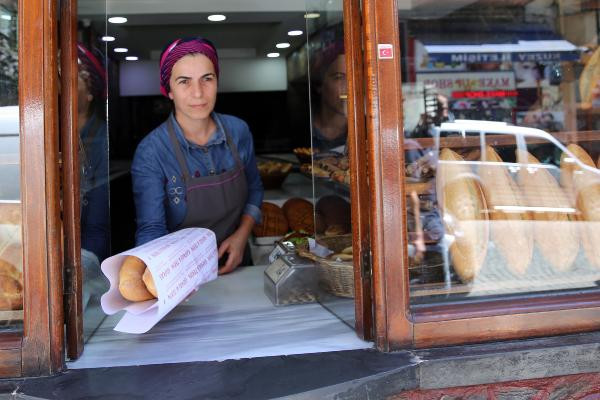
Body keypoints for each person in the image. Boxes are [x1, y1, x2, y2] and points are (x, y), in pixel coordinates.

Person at [131, 37, 263, 274]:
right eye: (184, 82)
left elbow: (255, 189)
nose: (198, 93)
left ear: (217, 82)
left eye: (207, 79)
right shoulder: (151, 152)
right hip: (180, 276)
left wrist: (242, 236)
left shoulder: (238, 131)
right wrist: (160, 279)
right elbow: (151, 228)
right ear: (168, 90)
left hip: (236, 265)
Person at [77, 43, 110, 306]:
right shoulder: (41, 136)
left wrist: (79, 271)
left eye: (66, 76)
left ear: (89, 93)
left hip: (86, 273)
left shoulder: (102, 142)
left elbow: (97, 230)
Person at [310, 38, 347, 153]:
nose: (349, 86)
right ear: (319, 84)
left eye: (355, 77)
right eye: (339, 77)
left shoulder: (368, 130)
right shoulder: (300, 130)